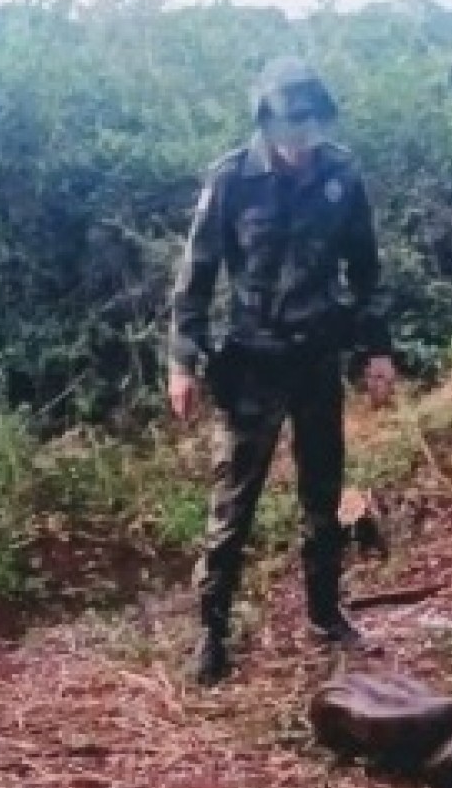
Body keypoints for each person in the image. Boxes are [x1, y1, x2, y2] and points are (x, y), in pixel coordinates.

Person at [167, 57, 398, 687]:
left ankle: (325, 614)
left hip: (318, 359)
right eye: (293, 123)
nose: (304, 136)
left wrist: (376, 350)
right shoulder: (233, 180)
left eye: (313, 121)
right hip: (254, 364)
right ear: (267, 122)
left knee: (323, 498)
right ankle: (212, 634)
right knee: (232, 506)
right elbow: (195, 280)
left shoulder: (341, 177)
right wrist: (182, 362)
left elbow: (367, 271)